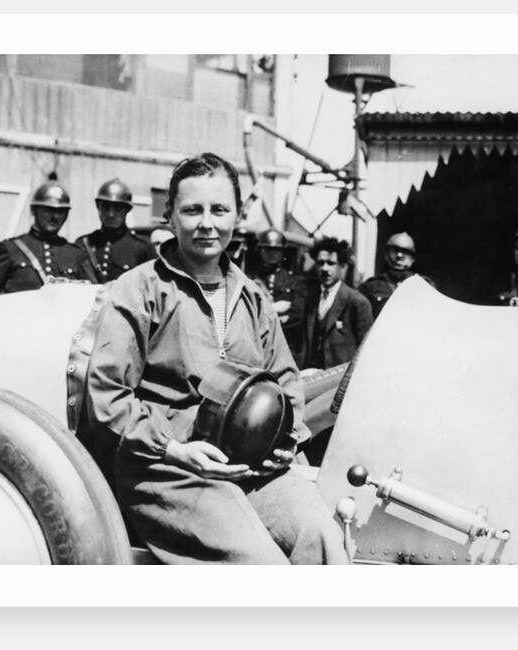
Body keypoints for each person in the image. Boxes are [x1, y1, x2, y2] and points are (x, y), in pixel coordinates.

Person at [85, 152, 348, 565]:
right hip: (169, 470)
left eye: (219, 210)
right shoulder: (138, 290)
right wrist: (173, 448)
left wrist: (287, 439)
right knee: (260, 566)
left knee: (323, 540)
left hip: (252, 468)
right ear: (170, 216)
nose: (207, 223)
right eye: (192, 210)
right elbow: (107, 397)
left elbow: (286, 382)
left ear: (237, 216)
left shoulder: (252, 296)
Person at [0, 180, 94, 300]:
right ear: (34, 210)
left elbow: (92, 294)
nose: (55, 216)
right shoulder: (11, 249)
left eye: (61, 211)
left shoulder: (75, 254)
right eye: (49, 210)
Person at [300, 238, 373, 370]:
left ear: (342, 267)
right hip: (312, 375)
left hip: (340, 378)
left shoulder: (357, 302)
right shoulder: (311, 299)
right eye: (320, 263)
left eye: (331, 263)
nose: (324, 268)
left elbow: (367, 350)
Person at [75, 178, 155, 283]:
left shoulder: (142, 248)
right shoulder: (84, 244)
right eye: (106, 207)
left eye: (118, 208)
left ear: (127, 210)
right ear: (98, 207)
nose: (111, 214)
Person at [252, 228, 307, 366]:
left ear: (282, 252)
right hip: (257, 345)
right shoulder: (250, 279)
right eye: (267, 249)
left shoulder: (294, 281)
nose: (272, 253)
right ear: (261, 251)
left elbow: (297, 314)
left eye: (276, 249)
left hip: (287, 345)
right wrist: (276, 308)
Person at [360, 231, 434, 319]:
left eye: (405, 252)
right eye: (395, 250)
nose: (399, 255)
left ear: (412, 259)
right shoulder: (371, 286)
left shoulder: (423, 284)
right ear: (386, 255)